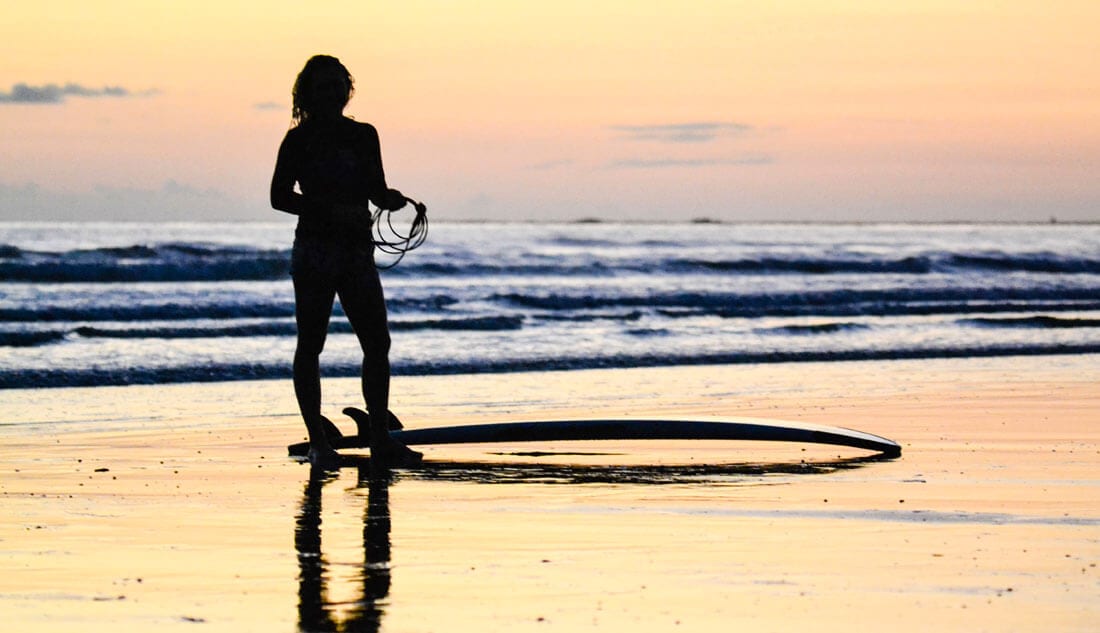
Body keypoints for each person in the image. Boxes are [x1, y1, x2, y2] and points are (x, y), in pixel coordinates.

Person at [270, 54, 422, 469]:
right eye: (323, 86)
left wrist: (391, 199)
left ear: (347, 89)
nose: (332, 92)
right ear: (308, 93)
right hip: (316, 252)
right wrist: (323, 209)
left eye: (338, 84)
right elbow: (279, 197)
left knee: (377, 343)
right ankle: (319, 442)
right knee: (311, 344)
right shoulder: (297, 141)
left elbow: (375, 189)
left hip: (357, 250)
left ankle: (379, 438)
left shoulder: (364, 135)